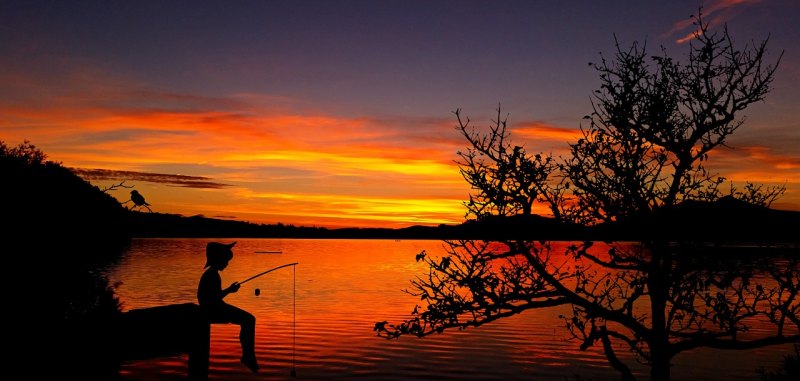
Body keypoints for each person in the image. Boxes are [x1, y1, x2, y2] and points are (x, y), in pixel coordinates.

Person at [197, 241, 259, 373]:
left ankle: (248, 355)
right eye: (226, 260)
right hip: (213, 310)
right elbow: (213, 298)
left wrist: (228, 290)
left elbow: (214, 296)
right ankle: (248, 356)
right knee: (249, 320)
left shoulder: (212, 274)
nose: (227, 263)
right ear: (219, 259)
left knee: (248, 320)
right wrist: (229, 290)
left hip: (215, 307)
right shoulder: (212, 275)